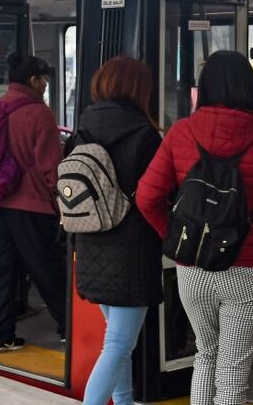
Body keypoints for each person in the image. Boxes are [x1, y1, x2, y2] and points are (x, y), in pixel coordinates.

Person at [137, 50, 253, 405]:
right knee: (233, 371)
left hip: (192, 267)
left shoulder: (181, 132)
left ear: (205, 86)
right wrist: (252, 220)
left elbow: (147, 197)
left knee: (205, 355)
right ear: (247, 88)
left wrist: (173, 235)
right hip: (245, 268)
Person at [73, 57, 163, 405]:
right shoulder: (144, 136)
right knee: (118, 345)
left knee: (119, 342)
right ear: (140, 90)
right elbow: (155, 196)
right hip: (131, 251)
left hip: (92, 244)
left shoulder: (83, 126)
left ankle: (124, 402)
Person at [0, 52, 67, 353]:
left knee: (1, 270)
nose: (45, 85)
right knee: (48, 268)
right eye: (44, 79)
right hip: (31, 205)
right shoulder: (38, 112)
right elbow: (51, 165)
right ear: (34, 80)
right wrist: (59, 199)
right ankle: (68, 327)